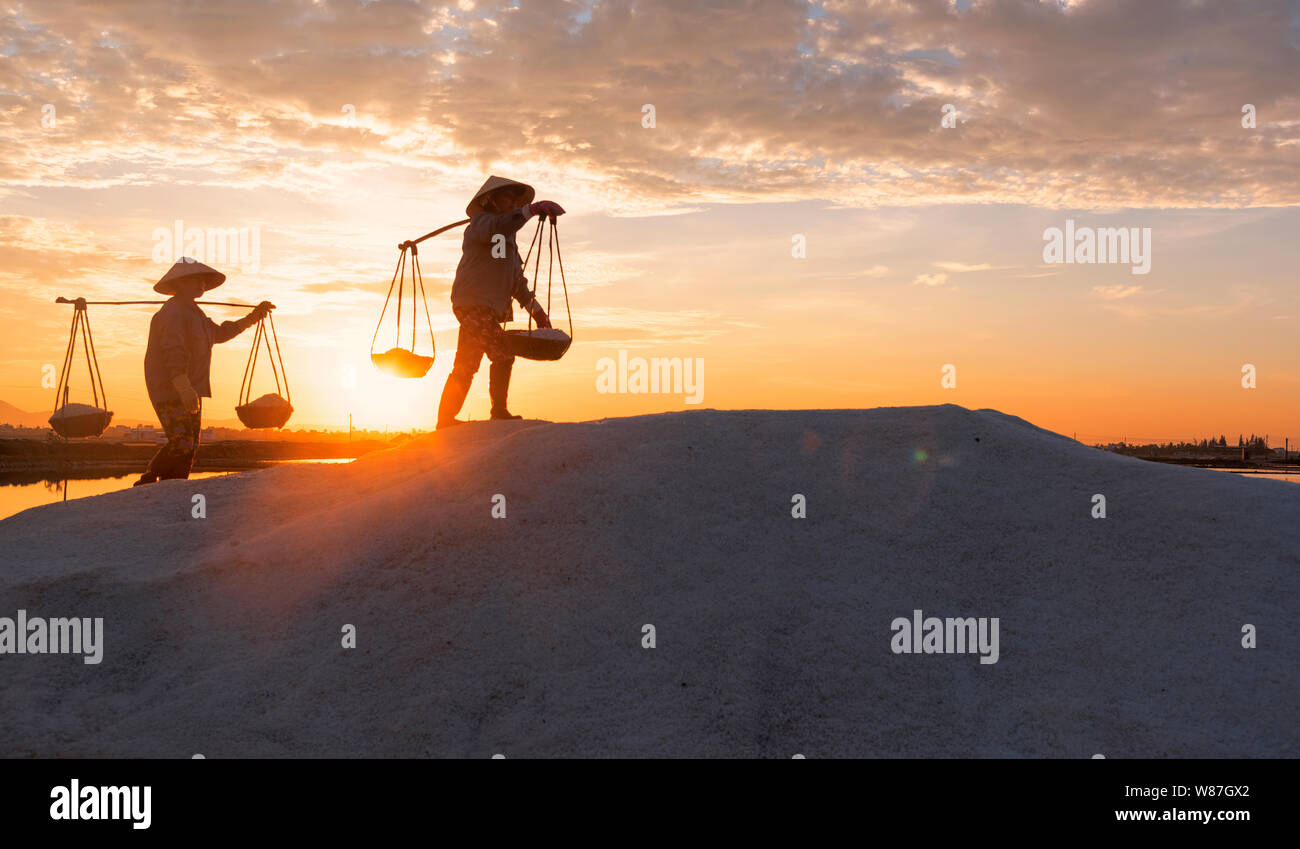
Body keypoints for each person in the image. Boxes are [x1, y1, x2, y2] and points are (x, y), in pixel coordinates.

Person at [436, 175, 565, 429]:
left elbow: (516, 282)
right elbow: (499, 226)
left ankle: (444, 420)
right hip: (473, 304)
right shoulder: (481, 225)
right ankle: (499, 411)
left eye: (515, 200)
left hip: (486, 309)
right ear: (491, 200)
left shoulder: (504, 243)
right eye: (508, 198)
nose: (512, 203)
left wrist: (537, 313)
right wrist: (529, 211)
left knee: (466, 364)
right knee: (503, 354)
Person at [134, 259, 273, 486]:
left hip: (191, 390)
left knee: (191, 445)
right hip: (171, 390)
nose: (202, 284)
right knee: (182, 443)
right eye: (196, 279)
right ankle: (148, 480)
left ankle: (174, 486)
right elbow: (173, 349)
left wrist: (252, 318)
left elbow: (219, 334)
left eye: (203, 280)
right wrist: (182, 384)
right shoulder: (173, 313)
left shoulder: (195, 314)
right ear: (181, 283)